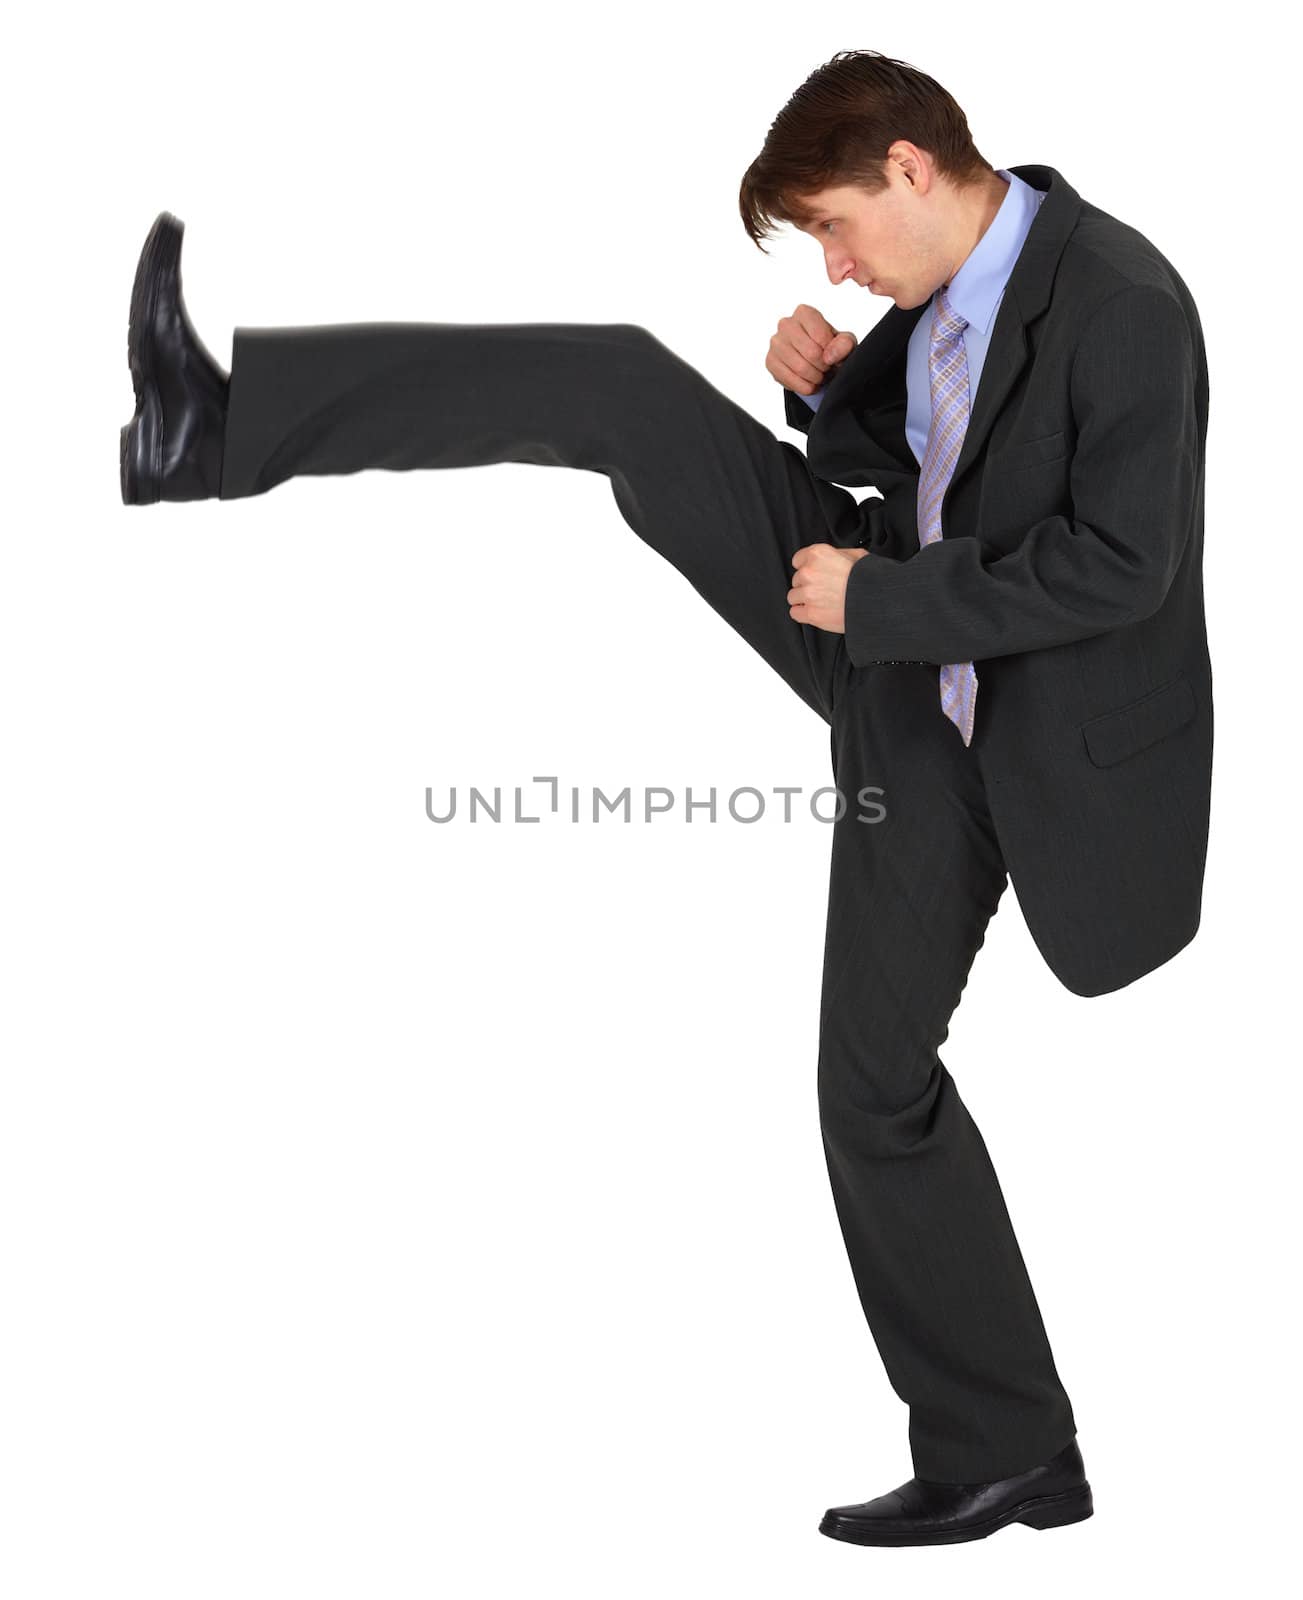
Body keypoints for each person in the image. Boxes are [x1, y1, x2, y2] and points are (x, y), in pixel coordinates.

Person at [118, 47, 1211, 1548]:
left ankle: (1012, 1452)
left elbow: (1119, 563)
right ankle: (215, 428)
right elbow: (939, 467)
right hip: (899, 656)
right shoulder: (938, 298)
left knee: (869, 1092)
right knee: (624, 383)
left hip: (1009, 720)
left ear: (909, 166)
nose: (835, 263)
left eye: (834, 225)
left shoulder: (1126, 305)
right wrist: (832, 401)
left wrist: (881, 599)